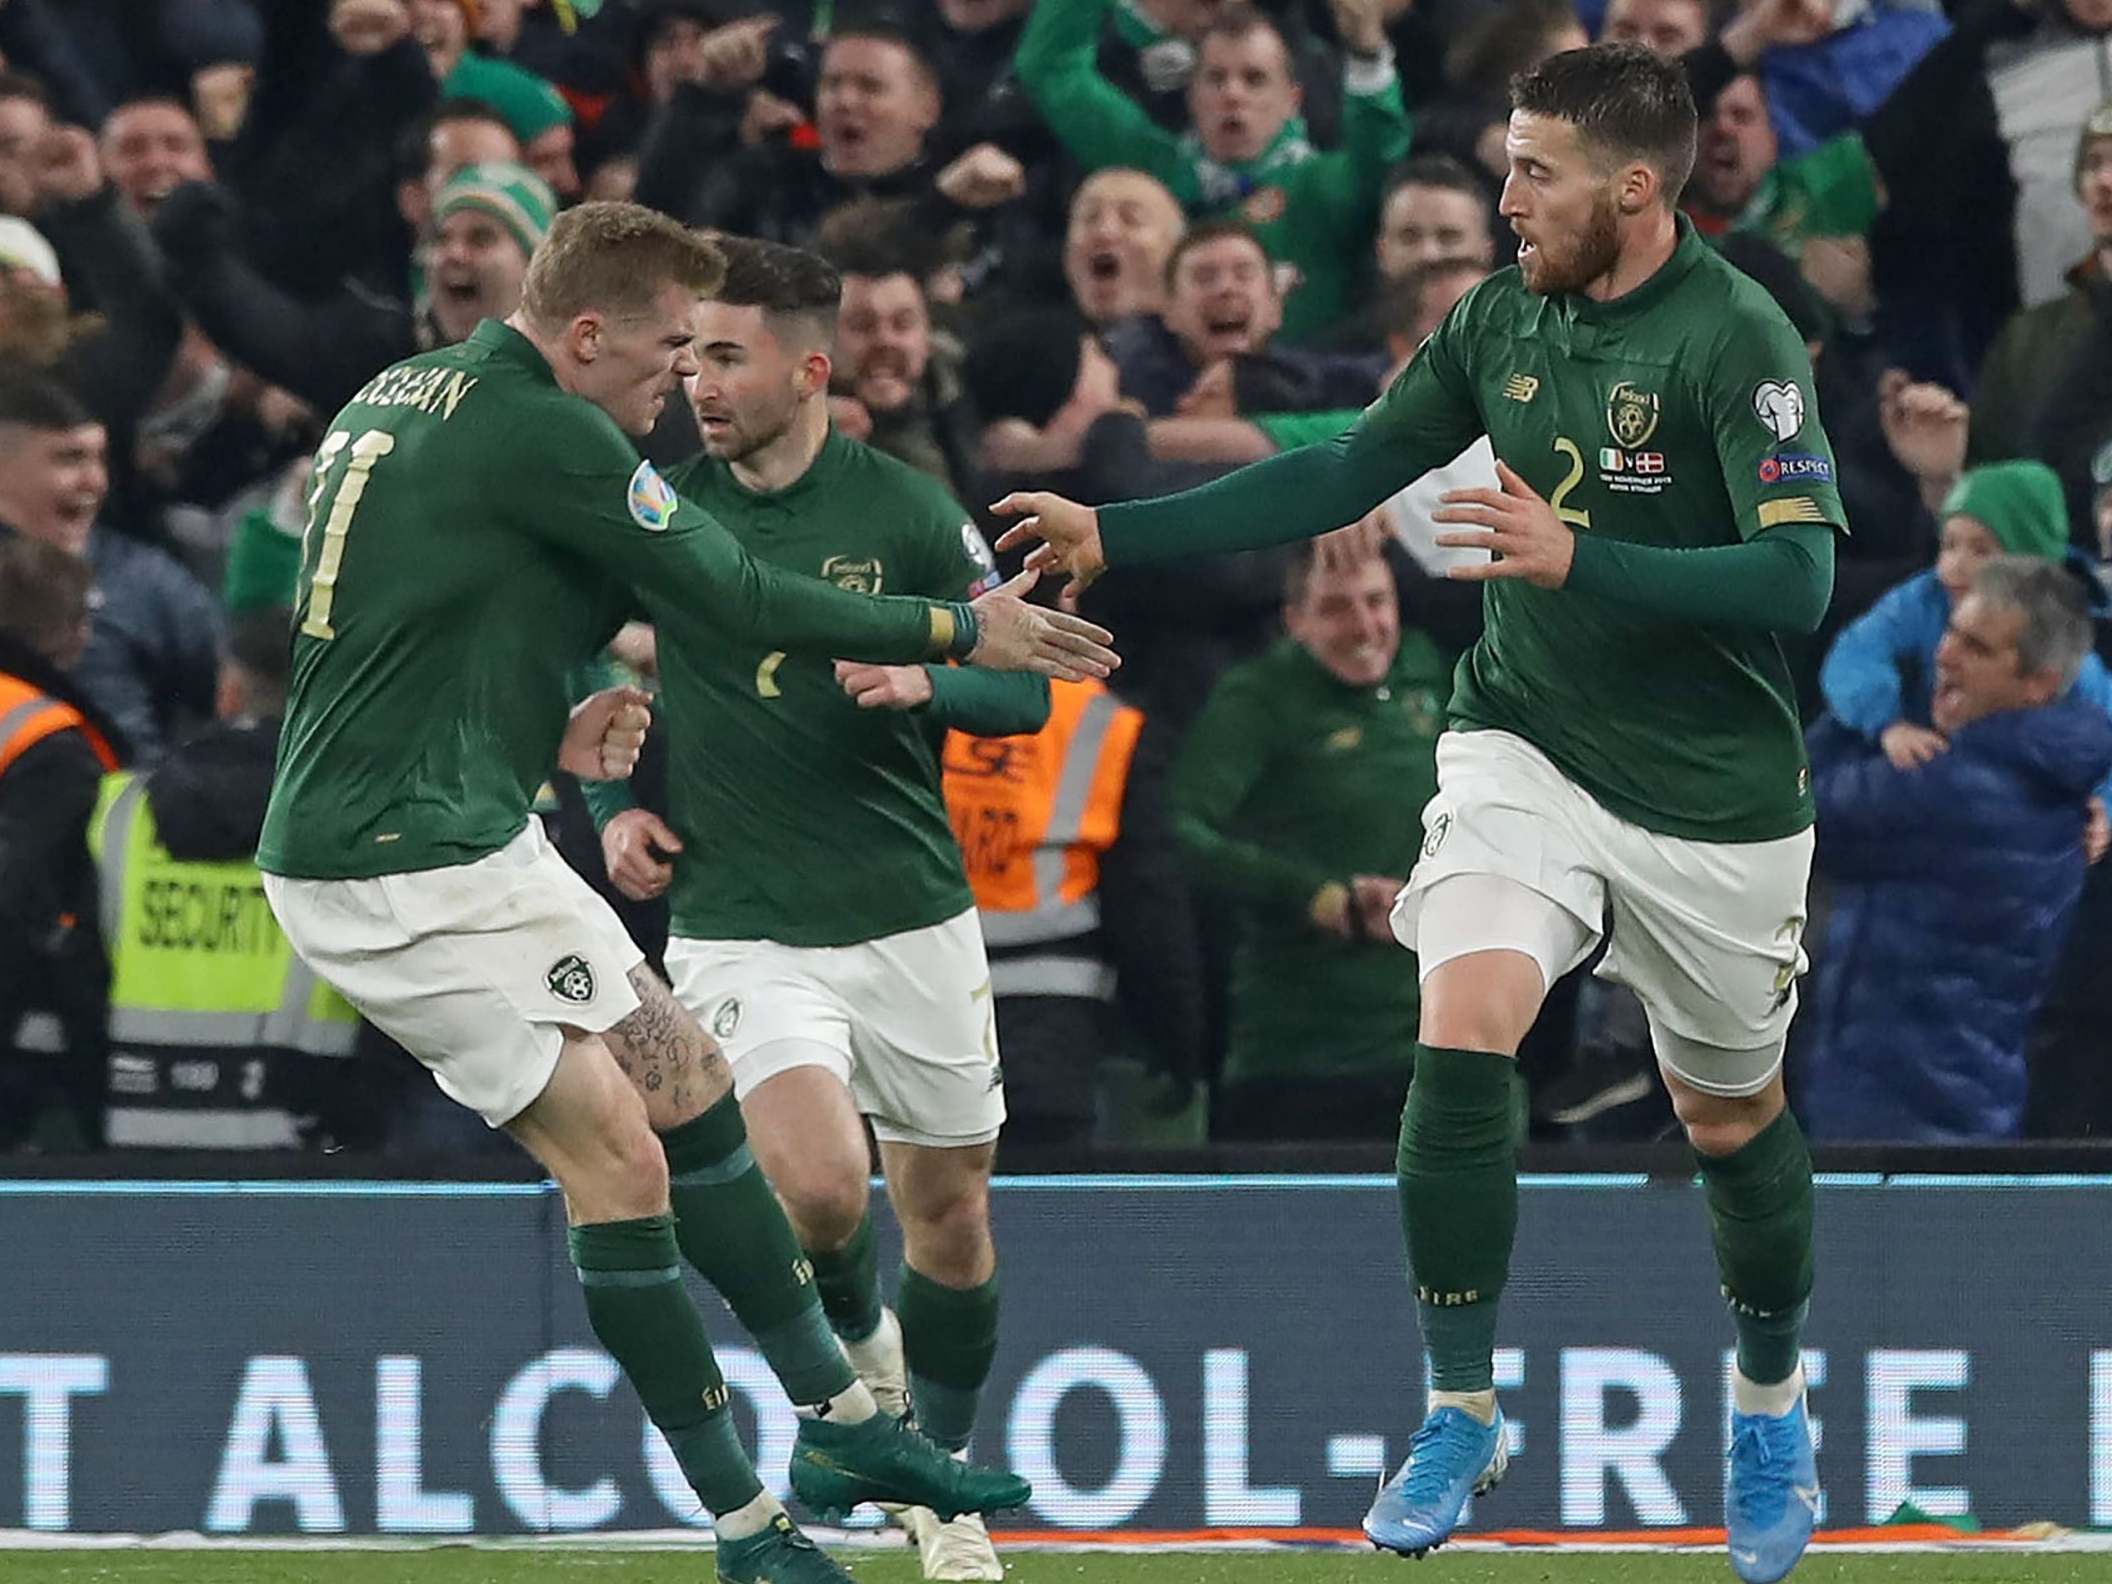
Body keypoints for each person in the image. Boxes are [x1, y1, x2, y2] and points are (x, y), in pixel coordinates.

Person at [995, 44, 1841, 1582]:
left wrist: (1584, 559)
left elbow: (1800, 579)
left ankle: (1771, 1398)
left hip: (1714, 797)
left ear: (1637, 191)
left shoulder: (1741, 338)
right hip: (1524, 742)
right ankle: (1462, 1406)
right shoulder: (1496, 317)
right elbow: (1351, 465)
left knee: (1730, 1118)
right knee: (1463, 1027)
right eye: (1507, 162)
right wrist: (1118, 532)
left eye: (1537, 174)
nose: (1503, 199)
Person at [258, 202, 1114, 1584]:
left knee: (686, 1079)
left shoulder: (405, 392)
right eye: (667, 349)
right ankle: (748, 1527)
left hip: (462, 833)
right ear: (588, 332)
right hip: (397, 871)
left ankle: (840, 1425)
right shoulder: (548, 427)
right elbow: (731, 592)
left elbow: (408, 613)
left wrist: (536, 724)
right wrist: (964, 626)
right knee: (625, 1162)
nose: (680, 381)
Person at [592, 236, 1044, 1583]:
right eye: (688, 357)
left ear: (810, 370)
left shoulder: (907, 513)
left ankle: (940, 1489)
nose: (697, 383)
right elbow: (566, 648)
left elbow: (1019, 689)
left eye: (724, 357)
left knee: (951, 1217)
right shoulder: (656, 505)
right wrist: (611, 797)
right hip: (740, 916)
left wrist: (928, 683)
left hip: (908, 910)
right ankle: (867, 1389)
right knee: (815, 1188)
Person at [1800, 557, 2112, 1140]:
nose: (1942, 654)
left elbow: (1801, 807)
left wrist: (1872, 711)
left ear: (2038, 684)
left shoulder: (1961, 791)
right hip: (1960, 1103)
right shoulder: (2056, 783)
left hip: (1895, 1120)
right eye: (1949, 630)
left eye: (1976, 647)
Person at [1173, 543, 1450, 1139]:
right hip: (1303, 1059)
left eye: (1377, 601)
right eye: (1335, 608)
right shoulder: (1260, 699)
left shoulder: (1431, 672)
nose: (1364, 626)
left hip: (1442, 1047)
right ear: (1294, 620)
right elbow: (1184, 833)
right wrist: (1316, 896)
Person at [92, 609, 363, 1149]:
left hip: (134, 1139)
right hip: (309, 1147)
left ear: (230, 692)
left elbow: (75, 973)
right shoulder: (359, 821)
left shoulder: (118, 811)